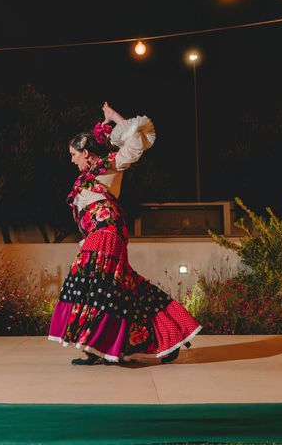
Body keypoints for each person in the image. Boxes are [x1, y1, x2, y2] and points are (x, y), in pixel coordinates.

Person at [48, 102, 201, 365]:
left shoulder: (110, 164)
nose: (72, 159)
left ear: (85, 153)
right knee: (124, 289)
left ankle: (95, 348)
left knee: (94, 285)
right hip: (98, 234)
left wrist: (115, 118)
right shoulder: (88, 175)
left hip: (107, 233)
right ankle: (170, 334)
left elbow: (134, 143)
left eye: (73, 154)